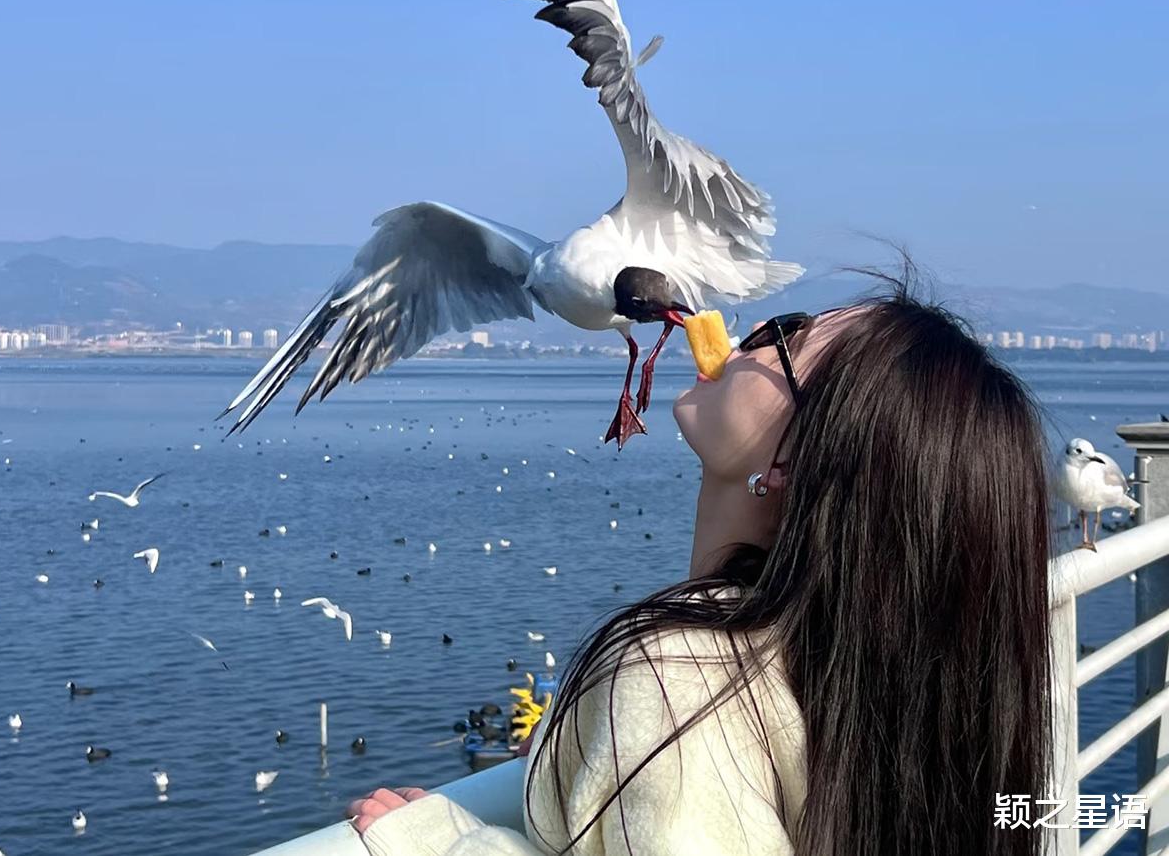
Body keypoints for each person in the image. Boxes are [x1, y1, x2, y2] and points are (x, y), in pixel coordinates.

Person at [349, 278, 1053, 856]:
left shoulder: (676, 673)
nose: (743, 337)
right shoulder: (843, 669)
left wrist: (440, 842)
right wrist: (582, 750)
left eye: (785, 334)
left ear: (798, 459)